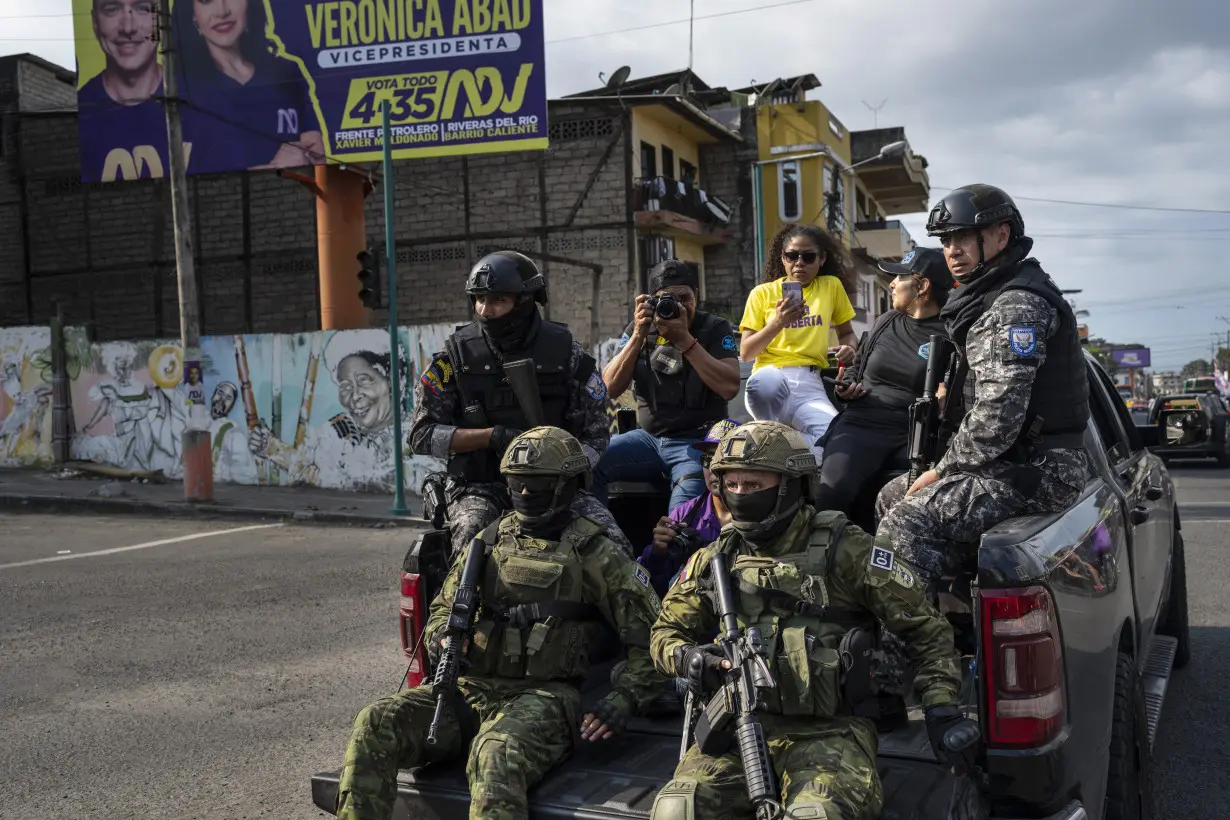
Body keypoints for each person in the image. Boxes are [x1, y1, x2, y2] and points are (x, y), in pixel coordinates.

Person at [334, 427, 668, 820]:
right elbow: (443, 609)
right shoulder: (487, 542)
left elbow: (654, 641)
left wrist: (623, 700)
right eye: (517, 484)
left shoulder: (597, 553)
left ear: (566, 486)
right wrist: (444, 638)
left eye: (537, 485)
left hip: (544, 697)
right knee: (375, 721)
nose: (525, 494)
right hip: (466, 690)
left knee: (495, 752)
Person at [648, 421, 971, 820]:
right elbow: (665, 632)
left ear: (792, 486)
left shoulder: (846, 548)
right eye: (732, 485)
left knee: (814, 814)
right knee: (675, 809)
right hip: (735, 732)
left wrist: (940, 707)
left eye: (754, 485)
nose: (741, 495)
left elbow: (926, 629)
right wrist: (689, 659)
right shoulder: (715, 558)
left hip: (831, 735)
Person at [876, 185, 1091, 589]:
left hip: (1039, 470)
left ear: (1001, 235)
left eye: (962, 238)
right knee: (891, 494)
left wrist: (940, 471)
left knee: (909, 517)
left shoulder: (1016, 304)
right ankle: (942, 615)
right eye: (946, 241)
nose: (952, 250)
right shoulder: (987, 297)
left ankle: (907, 646)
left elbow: (997, 420)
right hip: (1007, 464)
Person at [409, 251, 633, 557]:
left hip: (557, 489)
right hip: (482, 487)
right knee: (469, 542)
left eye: (498, 300)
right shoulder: (455, 358)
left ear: (525, 301)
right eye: (479, 299)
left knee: (612, 543)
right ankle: (460, 607)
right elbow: (421, 436)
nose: (485, 310)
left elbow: (596, 434)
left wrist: (562, 467)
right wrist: (492, 436)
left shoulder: (566, 353)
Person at [815, 247, 954, 524]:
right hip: (863, 422)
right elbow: (857, 368)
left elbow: (956, 384)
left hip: (914, 431)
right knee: (832, 493)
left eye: (899, 278)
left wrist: (946, 393)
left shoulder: (951, 332)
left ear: (922, 287)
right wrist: (847, 387)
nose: (891, 284)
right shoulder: (886, 321)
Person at [593, 260, 740, 510]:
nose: (679, 305)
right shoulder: (640, 329)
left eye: (685, 297)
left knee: (683, 511)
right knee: (588, 462)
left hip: (696, 443)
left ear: (697, 296)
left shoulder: (714, 328)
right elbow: (609, 387)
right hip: (647, 440)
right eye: (667, 299)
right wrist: (638, 333)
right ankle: (599, 539)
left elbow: (729, 387)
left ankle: (675, 546)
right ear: (651, 301)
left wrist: (685, 340)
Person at [738, 223, 859, 461]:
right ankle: (772, 443)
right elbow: (746, 353)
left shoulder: (831, 286)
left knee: (833, 440)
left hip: (810, 383)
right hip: (770, 375)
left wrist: (850, 348)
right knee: (766, 383)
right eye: (792, 255)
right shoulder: (761, 293)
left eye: (808, 256)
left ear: (822, 259)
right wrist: (778, 322)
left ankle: (772, 452)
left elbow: (847, 333)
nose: (799, 262)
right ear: (782, 258)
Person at [171, 0, 324, 171]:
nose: (222, 11)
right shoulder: (180, 88)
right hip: (227, 196)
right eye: (207, 1)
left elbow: (318, 155)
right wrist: (273, 168)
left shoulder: (287, 72)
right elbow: (183, 178)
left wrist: (313, 155)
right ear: (192, 13)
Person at [635, 418, 740, 597]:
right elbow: (650, 587)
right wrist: (657, 552)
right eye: (708, 459)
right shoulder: (684, 514)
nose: (713, 469)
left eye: (723, 460)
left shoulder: (760, 512)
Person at [78, 0, 171, 182]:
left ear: (162, 18)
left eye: (143, 8)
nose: (128, 28)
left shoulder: (202, 103)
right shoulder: (81, 115)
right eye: (112, 9)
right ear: (94, 22)